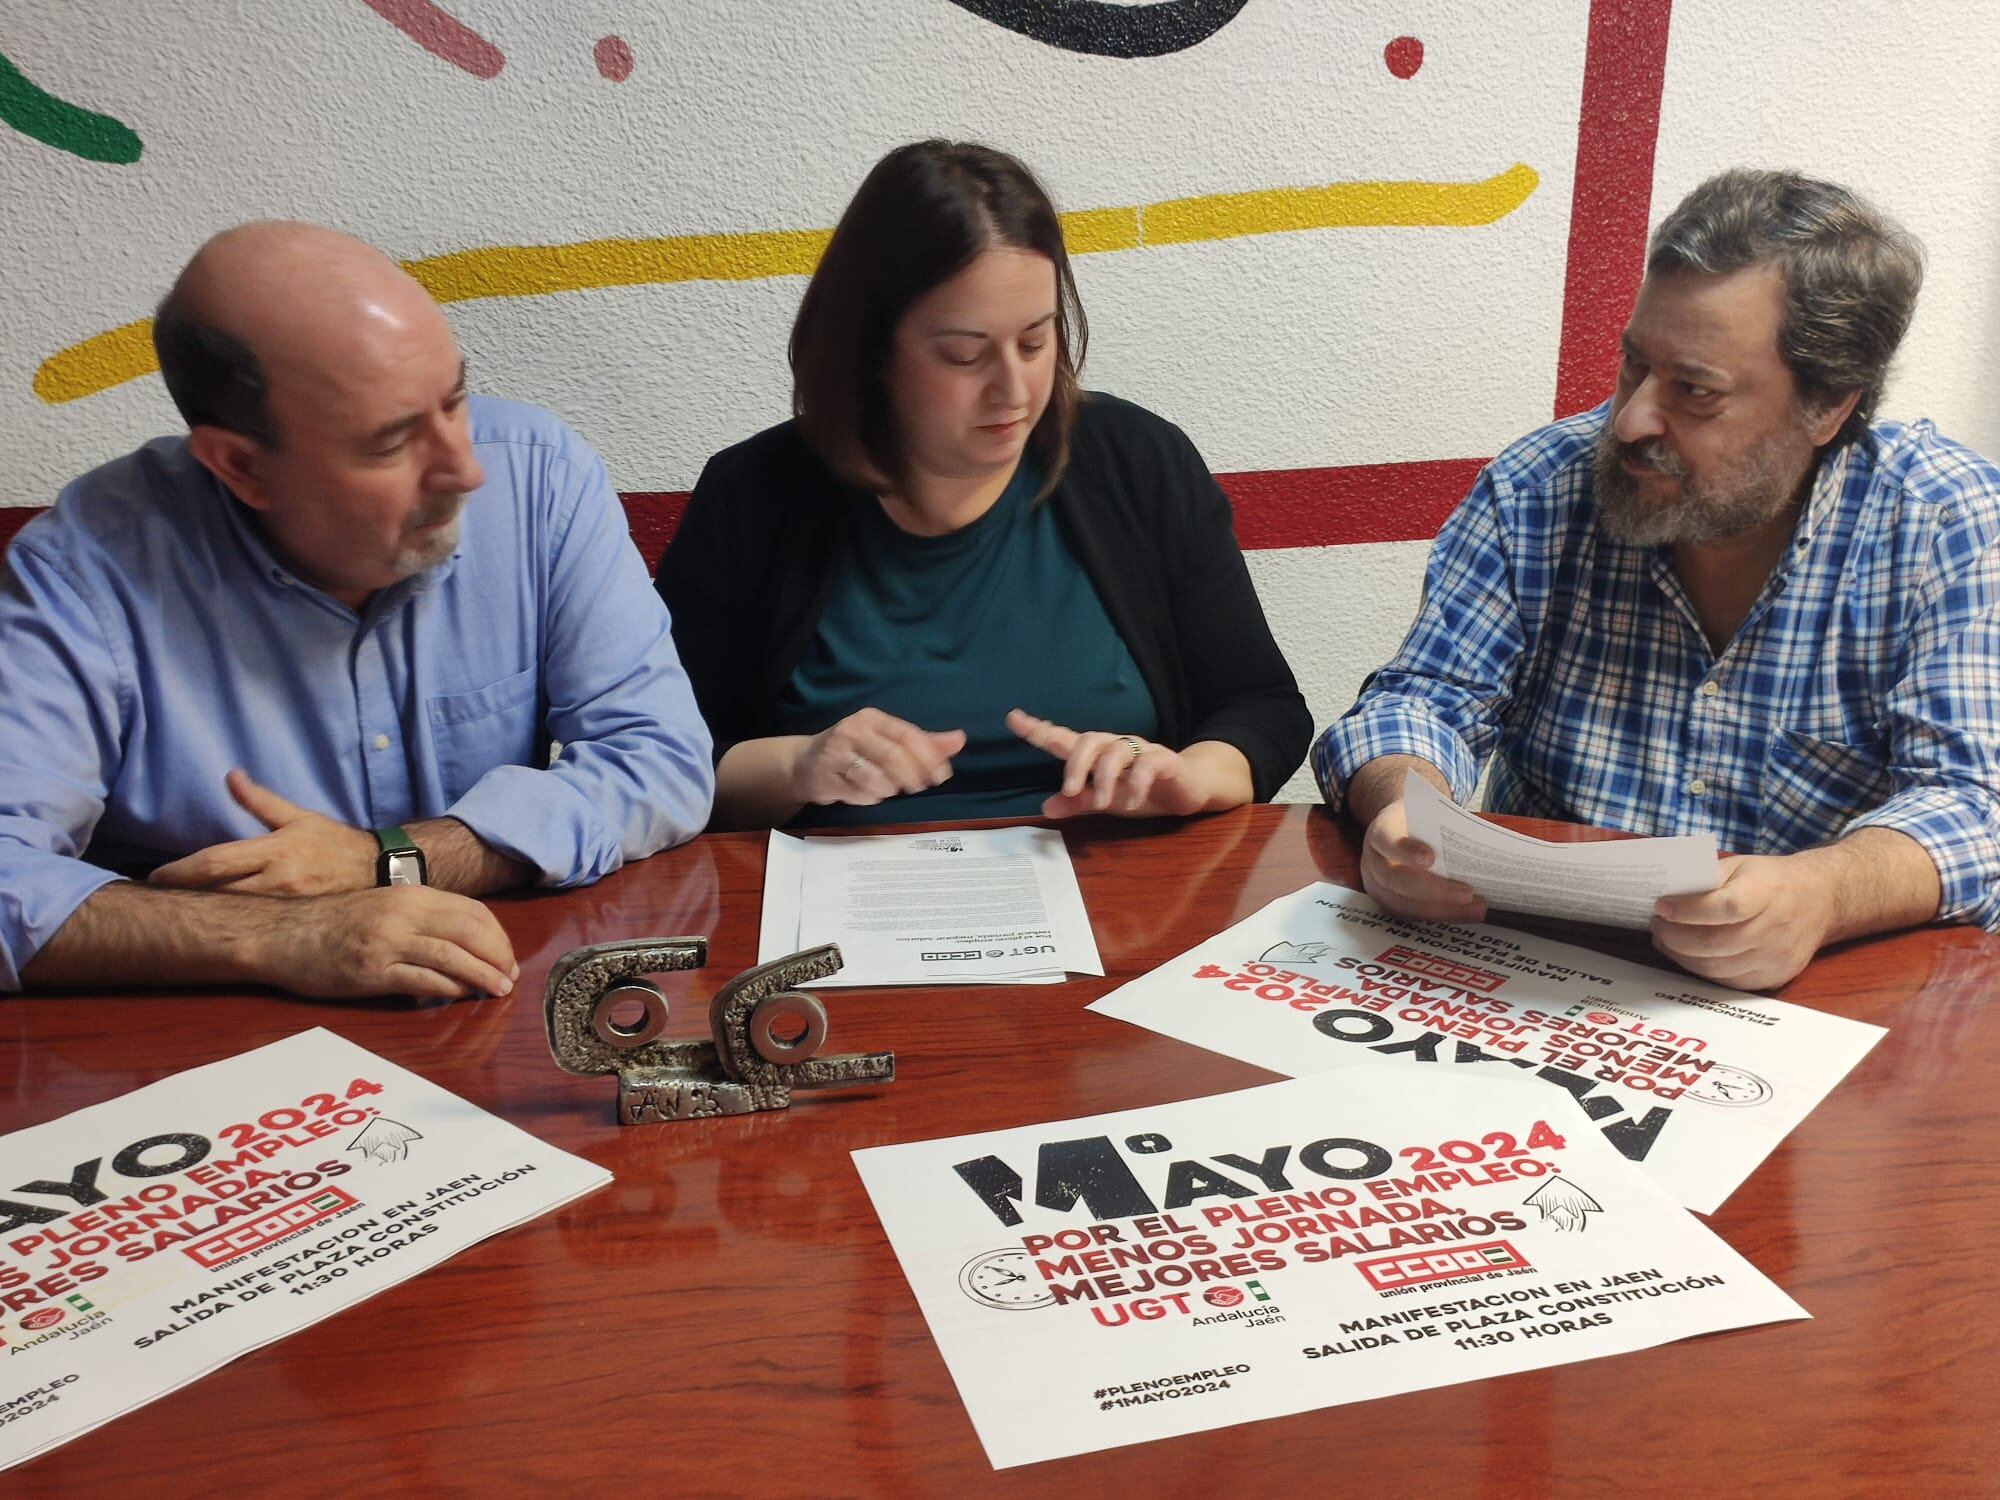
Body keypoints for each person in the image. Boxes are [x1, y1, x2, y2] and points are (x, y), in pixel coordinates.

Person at [1316, 168, 2000, 991]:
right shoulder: (1542, 487)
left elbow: (1973, 803)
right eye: (1632, 366)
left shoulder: (1949, 525)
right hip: (1535, 982)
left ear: (1828, 408)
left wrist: (1825, 892)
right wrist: (1403, 810)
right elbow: (1419, 703)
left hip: (1822, 1002)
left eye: (1694, 391)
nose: (1633, 419)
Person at [0, 222, 714, 997]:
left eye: (455, 398)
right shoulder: (83, 572)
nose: (467, 469)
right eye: (391, 443)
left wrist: (394, 858)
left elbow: (661, 758)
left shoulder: (539, 480)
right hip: (211, 1049)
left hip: (489, 1012)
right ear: (241, 465)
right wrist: (279, 936)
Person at [657, 139, 1309, 828]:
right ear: (871, 351)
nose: (1014, 391)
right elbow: (657, 758)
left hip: (1114, 898)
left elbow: (1262, 705)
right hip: (838, 908)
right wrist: (797, 765)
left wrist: (1188, 776)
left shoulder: (1138, 462)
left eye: (1035, 341)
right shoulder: (755, 493)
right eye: (964, 355)